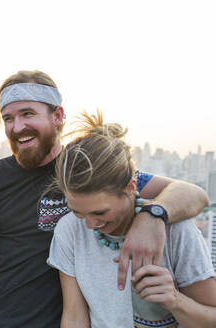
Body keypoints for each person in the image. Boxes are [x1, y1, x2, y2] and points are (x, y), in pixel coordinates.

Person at [0, 70, 209, 327]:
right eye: (8, 118)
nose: (17, 126)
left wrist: (152, 216)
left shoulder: (88, 170)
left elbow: (194, 194)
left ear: (58, 116)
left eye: (28, 114)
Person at [47, 111, 216, 327]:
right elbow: (74, 317)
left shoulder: (176, 230)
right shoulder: (69, 229)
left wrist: (175, 300)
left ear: (130, 187)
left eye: (100, 213)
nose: (89, 224)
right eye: (78, 211)